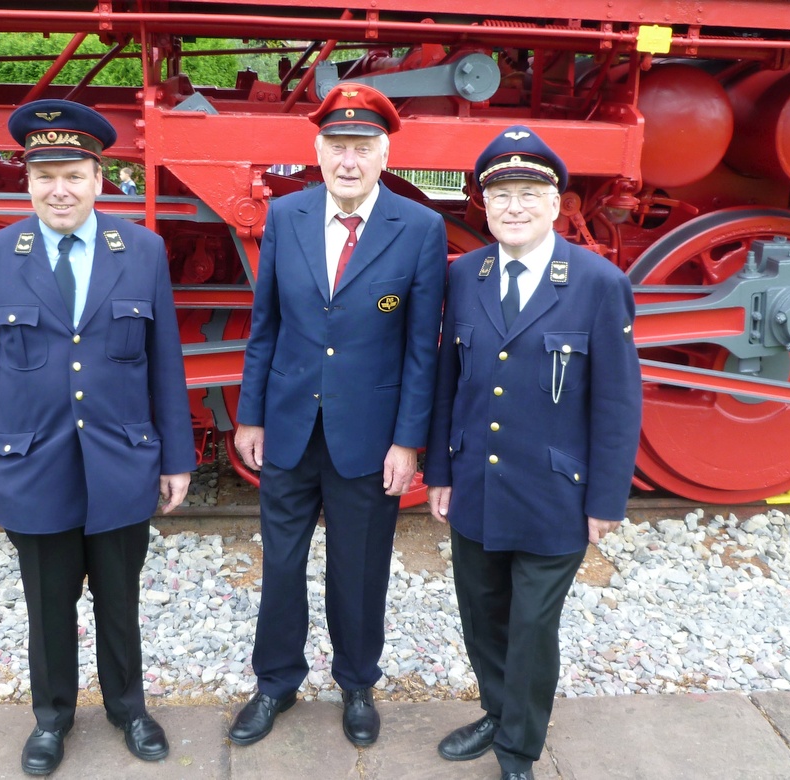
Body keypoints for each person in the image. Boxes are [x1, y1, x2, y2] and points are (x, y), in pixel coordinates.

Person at [0, 98, 195, 776]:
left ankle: (129, 709)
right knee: (48, 606)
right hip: (34, 465)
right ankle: (51, 719)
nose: (60, 190)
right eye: (45, 175)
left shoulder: (142, 251)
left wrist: (177, 458)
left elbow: (166, 363)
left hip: (121, 462)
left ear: (98, 178)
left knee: (120, 599)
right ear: (26, 180)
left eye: (74, 175)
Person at [230, 82, 447, 748]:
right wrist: (250, 416)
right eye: (336, 146)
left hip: (370, 435)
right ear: (319, 152)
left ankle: (357, 684)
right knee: (281, 565)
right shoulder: (287, 216)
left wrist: (408, 442)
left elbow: (422, 349)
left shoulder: (419, 228)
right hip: (289, 424)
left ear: (384, 156)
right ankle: (275, 683)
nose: (348, 161)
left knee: (359, 569)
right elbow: (266, 325)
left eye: (362, 147)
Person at [423, 126, 643, 780]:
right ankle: (496, 711)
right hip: (476, 483)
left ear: (555, 204)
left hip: (554, 493)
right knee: (482, 615)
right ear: (484, 206)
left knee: (532, 627)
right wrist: (440, 471)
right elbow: (448, 382)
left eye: (528, 193)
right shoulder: (465, 275)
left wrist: (606, 499)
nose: (513, 207)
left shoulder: (598, 283)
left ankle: (518, 747)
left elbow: (617, 402)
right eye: (500, 195)